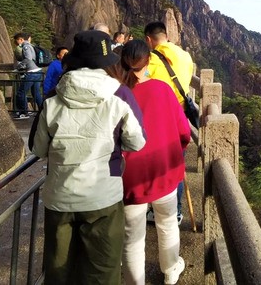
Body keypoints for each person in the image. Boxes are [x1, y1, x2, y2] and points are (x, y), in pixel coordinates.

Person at [31, 30, 146, 285]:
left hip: (60, 197)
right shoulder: (121, 94)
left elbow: (38, 149)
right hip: (103, 197)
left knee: (59, 272)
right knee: (103, 271)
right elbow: (137, 142)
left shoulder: (53, 96)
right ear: (106, 62)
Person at [120, 39, 190, 285]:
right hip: (163, 171)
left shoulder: (117, 94)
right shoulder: (162, 89)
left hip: (128, 177)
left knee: (132, 238)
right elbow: (184, 132)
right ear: (148, 61)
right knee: (168, 223)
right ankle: (170, 271)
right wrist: (177, 151)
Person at [144, 21, 195, 223]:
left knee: (154, 163)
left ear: (149, 39)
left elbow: (144, 84)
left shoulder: (152, 60)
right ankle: (177, 211)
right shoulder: (185, 55)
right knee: (177, 166)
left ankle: (157, 210)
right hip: (180, 117)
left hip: (159, 119)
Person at [13, 32, 44, 119]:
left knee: (21, 92)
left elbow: (28, 58)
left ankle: (24, 112)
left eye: (17, 41)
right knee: (36, 93)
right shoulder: (31, 46)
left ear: (21, 39)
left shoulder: (25, 46)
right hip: (38, 71)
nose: (17, 43)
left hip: (32, 72)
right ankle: (43, 111)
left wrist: (20, 66)